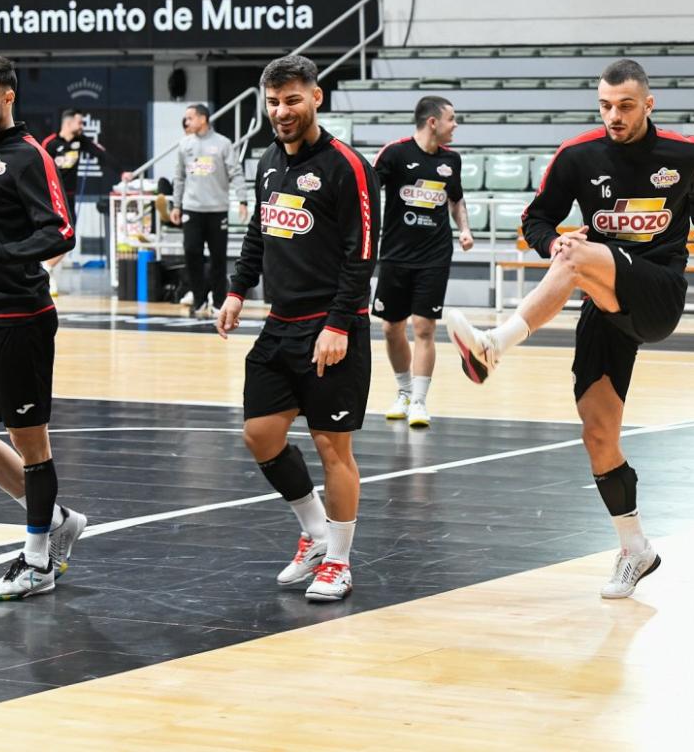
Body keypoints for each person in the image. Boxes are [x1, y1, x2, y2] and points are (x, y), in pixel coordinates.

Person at [446, 59, 694, 599]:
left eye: (624, 105)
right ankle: (635, 548)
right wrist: (551, 243)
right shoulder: (578, 156)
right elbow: (536, 219)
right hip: (604, 298)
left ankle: (494, 345)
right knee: (598, 435)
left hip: (658, 291)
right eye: (604, 105)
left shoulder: (685, 153)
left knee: (576, 256)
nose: (613, 116)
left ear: (648, 104)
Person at [217, 54, 380, 603]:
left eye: (292, 100)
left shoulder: (346, 166)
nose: (281, 111)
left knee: (333, 447)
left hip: (333, 327)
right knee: (259, 433)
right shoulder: (266, 160)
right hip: (280, 326)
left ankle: (339, 560)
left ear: (317, 98)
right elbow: (258, 237)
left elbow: (362, 254)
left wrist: (338, 324)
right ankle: (314, 533)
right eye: (273, 101)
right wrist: (238, 291)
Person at [0, 53, 87, 601]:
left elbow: (60, 232)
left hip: (20, 320)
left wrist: (3, 252)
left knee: (31, 442)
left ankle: (38, 559)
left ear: (8, 97)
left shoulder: (31, 156)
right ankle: (57, 519)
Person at [373, 96, 473, 428]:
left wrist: (465, 229)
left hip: (434, 255)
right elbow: (369, 195)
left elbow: (456, 200)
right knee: (390, 328)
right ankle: (402, 391)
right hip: (395, 255)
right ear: (433, 122)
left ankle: (418, 400)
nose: (455, 125)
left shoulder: (451, 160)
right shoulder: (394, 153)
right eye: (452, 119)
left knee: (424, 328)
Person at [40, 108, 133, 296]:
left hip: (70, 197)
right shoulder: (49, 143)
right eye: (80, 122)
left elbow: (101, 154)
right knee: (51, 234)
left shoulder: (80, 142)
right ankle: (44, 272)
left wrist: (122, 171)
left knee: (69, 238)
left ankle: (46, 269)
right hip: (52, 196)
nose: (82, 126)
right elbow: (38, 168)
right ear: (68, 123)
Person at [169, 103, 249, 318]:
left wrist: (243, 200)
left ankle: (219, 301)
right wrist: (176, 205)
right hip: (192, 209)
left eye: (190, 118)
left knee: (218, 258)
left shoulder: (223, 144)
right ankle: (199, 299)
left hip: (217, 209)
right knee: (192, 253)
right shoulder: (184, 145)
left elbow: (236, 172)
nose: (187, 122)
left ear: (203, 119)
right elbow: (179, 177)